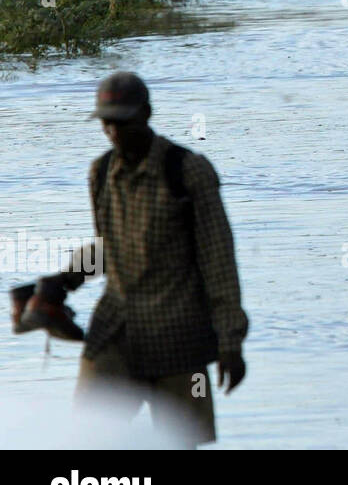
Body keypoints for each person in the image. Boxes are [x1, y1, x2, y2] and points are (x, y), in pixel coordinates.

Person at [48, 72, 247, 447]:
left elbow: (219, 262)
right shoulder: (101, 172)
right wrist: (64, 280)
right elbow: (108, 247)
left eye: (123, 122)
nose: (114, 132)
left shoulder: (188, 172)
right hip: (115, 332)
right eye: (107, 123)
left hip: (181, 340)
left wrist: (230, 342)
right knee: (85, 439)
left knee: (185, 442)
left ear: (147, 114)